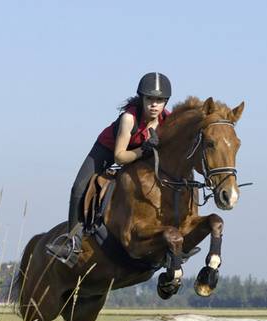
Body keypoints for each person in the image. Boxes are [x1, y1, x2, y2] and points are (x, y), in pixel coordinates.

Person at [45, 72, 172, 266]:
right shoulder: (129, 118)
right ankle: (72, 243)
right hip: (108, 149)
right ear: (142, 98)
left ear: (166, 102)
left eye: (160, 100)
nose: (154, 105)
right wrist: (144, 149)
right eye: (150, 99)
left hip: (139, 154)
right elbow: (119, 156)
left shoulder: (167, 121)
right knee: (78, 187)